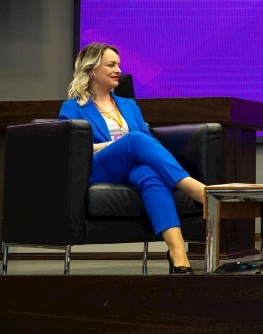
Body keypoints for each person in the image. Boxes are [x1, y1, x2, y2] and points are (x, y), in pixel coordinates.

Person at [58, 43, 207, 274]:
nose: (118, 70)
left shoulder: (129, 105)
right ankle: (196, 190)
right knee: (134, 139)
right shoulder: (72, 108)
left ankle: (178, 255)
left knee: (150, 176)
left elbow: (148, 140)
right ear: (91, 70)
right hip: (97, 168)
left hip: (131, 168)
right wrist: (114, 145)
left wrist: (129, 147)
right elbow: (73, 149)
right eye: (111, 65)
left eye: (118, 65)